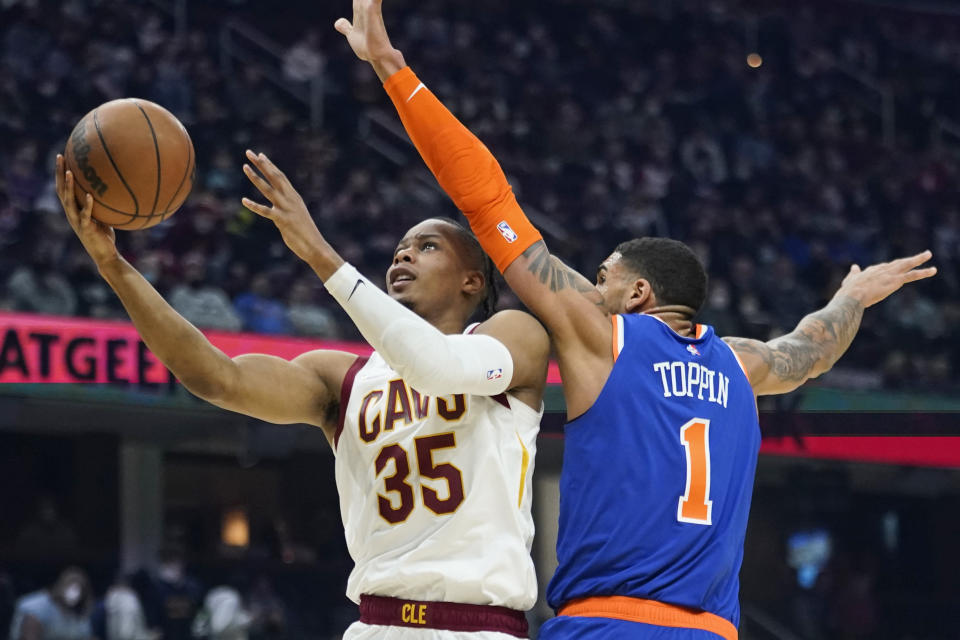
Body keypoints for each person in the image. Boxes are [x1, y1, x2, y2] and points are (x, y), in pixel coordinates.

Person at [333, 2, 938, 637]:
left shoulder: (606, 336)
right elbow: (812, 346)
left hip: (609, 624)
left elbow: (486, 201)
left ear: (639, 293)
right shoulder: (743, 364)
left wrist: (395, 73)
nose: (589, 291)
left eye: (601, 279)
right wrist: (855, 298)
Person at [54, 135, 549, 638]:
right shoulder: (342, 378)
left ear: (472, 281)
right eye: (399, 249)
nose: (403, 256)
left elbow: (436, 368)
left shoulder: (513, 335)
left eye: (426, 247)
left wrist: (320, 255)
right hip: (376, 623)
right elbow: (214, 376)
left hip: (479, 626)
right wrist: (113, 266)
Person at [8, 566, 94, 640]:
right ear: (61, 585)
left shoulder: (80, 612)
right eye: (71, 587)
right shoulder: (38, 606)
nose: (74, 593)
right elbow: (29, 636)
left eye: (79, 589)